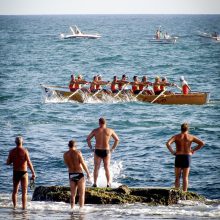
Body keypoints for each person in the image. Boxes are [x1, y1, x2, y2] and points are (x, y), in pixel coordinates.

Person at [166, 123, 205, 192]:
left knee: (177, 177)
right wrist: (193, 150)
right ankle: (184, 195)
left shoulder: (176, 136)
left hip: (179, 156)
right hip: (187, 157)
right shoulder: (191, 137)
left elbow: (168, 143)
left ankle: (177, 193)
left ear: (181, 129)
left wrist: (172, 152)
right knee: (185, 177)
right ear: (188, 129)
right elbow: (202, 143)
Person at [87, 118, 119, 187]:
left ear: (99, 123)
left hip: (97, 150)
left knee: (96, 167)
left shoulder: (95, 131)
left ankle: (95, 183)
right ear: (105, 123)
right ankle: (108, 183)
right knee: (107, 167)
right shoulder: (110, 130)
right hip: (106, 150)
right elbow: (117, 140)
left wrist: (91, 148)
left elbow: (88, 139)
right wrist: (112, 149)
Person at [6, 136, 36, 210]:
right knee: (24, 192)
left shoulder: (11, 151)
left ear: (15, 143)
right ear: (22, 142)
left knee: (15, 191)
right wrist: (33, 173)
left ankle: (14, 207)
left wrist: (12, 160)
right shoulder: (25, 151)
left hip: (15, 172)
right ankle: (23, 208)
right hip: (24, 173)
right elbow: (29, 162)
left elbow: (8, 162)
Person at [63, 140, 90, 209]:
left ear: (68, 146)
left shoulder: (65, 154)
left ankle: (72, 209)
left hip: (71, 174)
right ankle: (81, 209)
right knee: (81, 194)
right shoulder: (78, 153)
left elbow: (67, 164)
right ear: (75, 146)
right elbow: (83, 163)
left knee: (72, 194)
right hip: (79, 174)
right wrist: (88, 173)